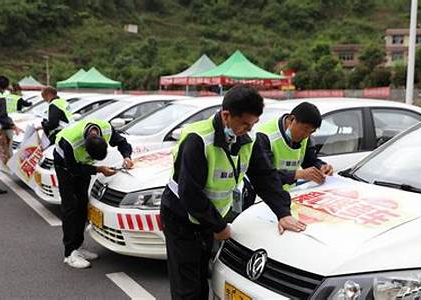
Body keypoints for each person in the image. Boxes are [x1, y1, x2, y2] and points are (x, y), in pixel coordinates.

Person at [160, 85, 306, 300]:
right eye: (244, 124)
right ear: (226, 115)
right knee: (187, 286)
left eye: (253, 124)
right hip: (181, 217)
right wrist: (218, 226)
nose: (248, 129)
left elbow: (265, 177)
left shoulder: (247, 140)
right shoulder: (197, 140)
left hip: (207, 217)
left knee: (202, 277)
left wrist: (282, 212)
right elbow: (190, 193)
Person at [54, 119, 133, 268]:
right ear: (85, 146)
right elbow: (74, 169)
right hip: (65, 166)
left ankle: (78, 246)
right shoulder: (70, 142)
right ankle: (69, 253)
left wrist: (127, 156)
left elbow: (122, 143)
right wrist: (98, 169)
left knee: (82, 205)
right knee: (70, 207)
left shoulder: (106, 128)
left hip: (82, 165)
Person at [256, 102, 334, 192]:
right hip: (262, 198)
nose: (306, 135)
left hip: (288, 194)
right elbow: (264, 175)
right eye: (305, 129)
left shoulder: (305, 137)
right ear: (292, 119)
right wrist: (298, 174)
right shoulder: (264, 136)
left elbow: (310, 160)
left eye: (311, 132)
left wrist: (321, 167)